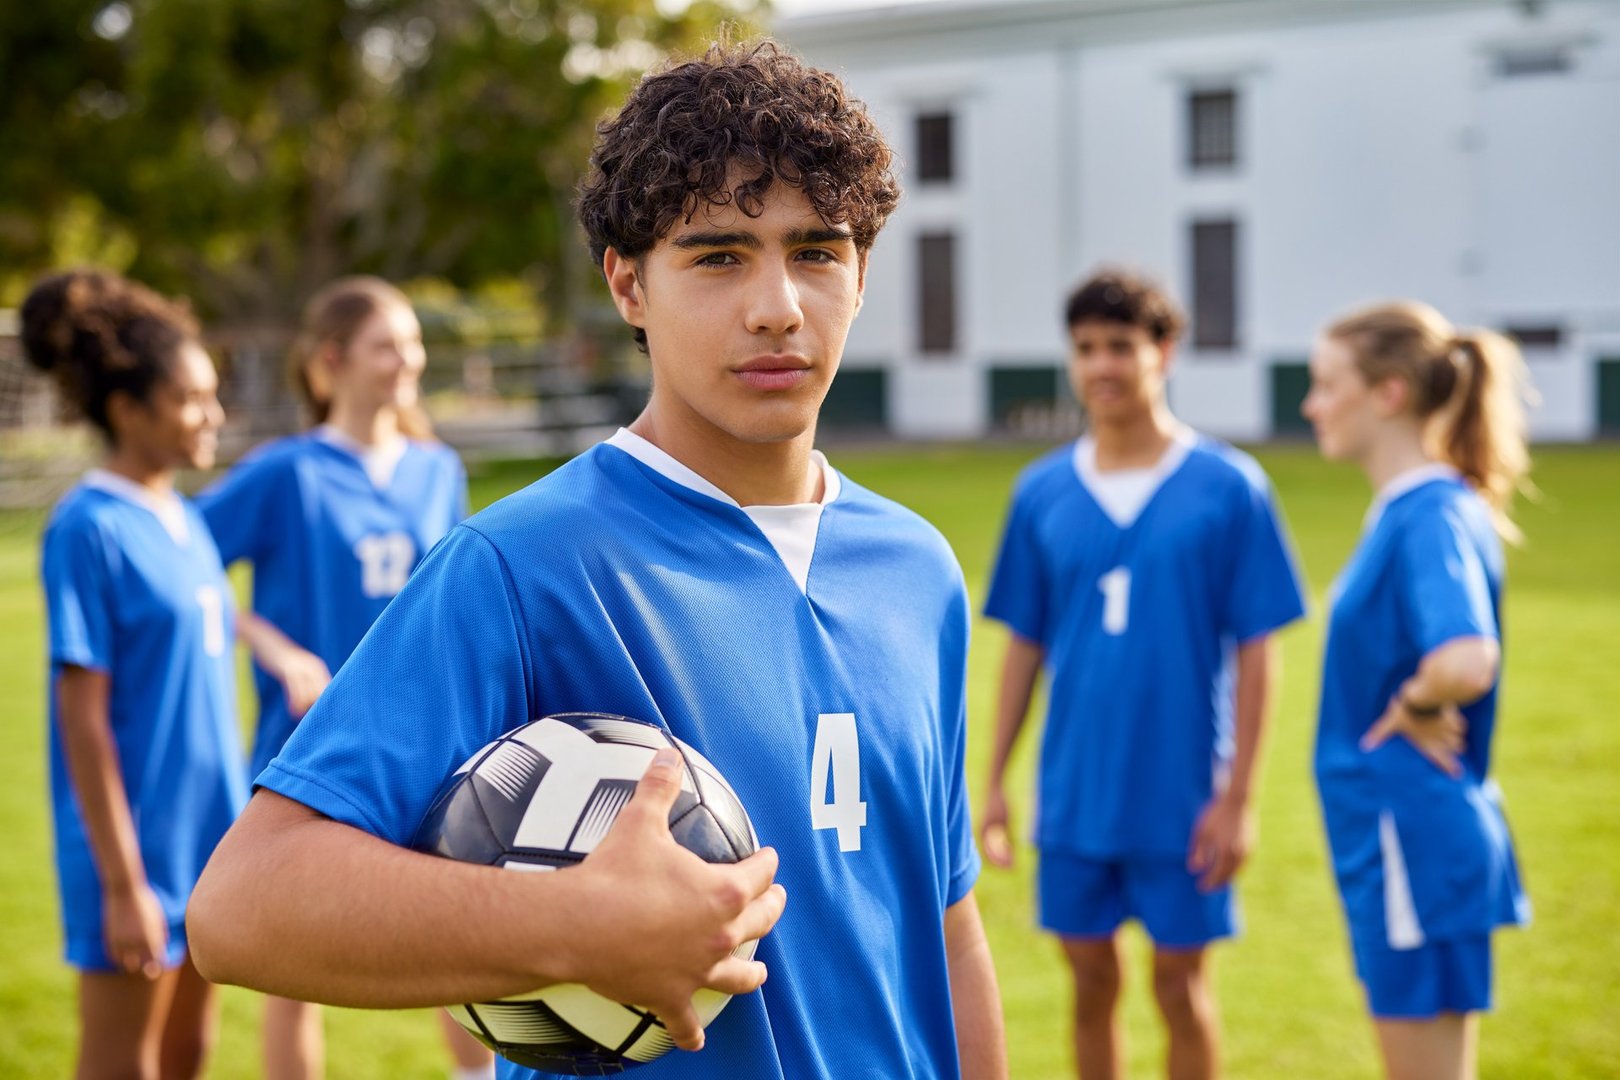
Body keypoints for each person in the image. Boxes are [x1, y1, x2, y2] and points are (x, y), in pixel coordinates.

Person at [188, 38, 1007, 1080]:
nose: (777, 307)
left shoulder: (918, 570)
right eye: (718, 255)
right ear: (628, 285)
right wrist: (566, 926)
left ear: (860, 271)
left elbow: (947, 929)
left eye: (815, 250)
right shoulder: (524, 564)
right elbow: (243, 909)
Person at [979, 269, 1306, 1080]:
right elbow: (1023, 645)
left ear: (1164, 350)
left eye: (1120, 346)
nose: (1101, 367)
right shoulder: (1042, 490)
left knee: (1179, 986)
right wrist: (991, 779)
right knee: (1089, 983)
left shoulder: (1229, 486)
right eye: (1086, 349)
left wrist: (1239, 798)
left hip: (1183, 794)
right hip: (1076, 795)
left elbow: (1259, 650)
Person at [195, 276, 491, 1080]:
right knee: (298, 968)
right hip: (311, 744)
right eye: (386, 344)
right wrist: (272, 645)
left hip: (427, 739)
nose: (408, 360)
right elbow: (178, 566)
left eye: (413, 342)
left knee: (455, 946)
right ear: (332, 361)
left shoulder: (438, 468)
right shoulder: (284, 471)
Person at [23, 269, 248, 1079]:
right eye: (191, 399)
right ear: (128, 410)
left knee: (189, 1058)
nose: (212, 416)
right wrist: (123, 885)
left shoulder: (185, 518)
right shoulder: (87, 528)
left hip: (209, 847)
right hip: (137, 861)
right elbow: (82, 719)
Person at [1300, 301, 1532, 1080]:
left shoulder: (1429, 512)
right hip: (1402, 836)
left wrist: (1413, 704)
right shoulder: (1409, 509)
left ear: (1389, 394)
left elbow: (1467, 659)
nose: (1312, 404)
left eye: (1327, 384)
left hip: (1412, 835)